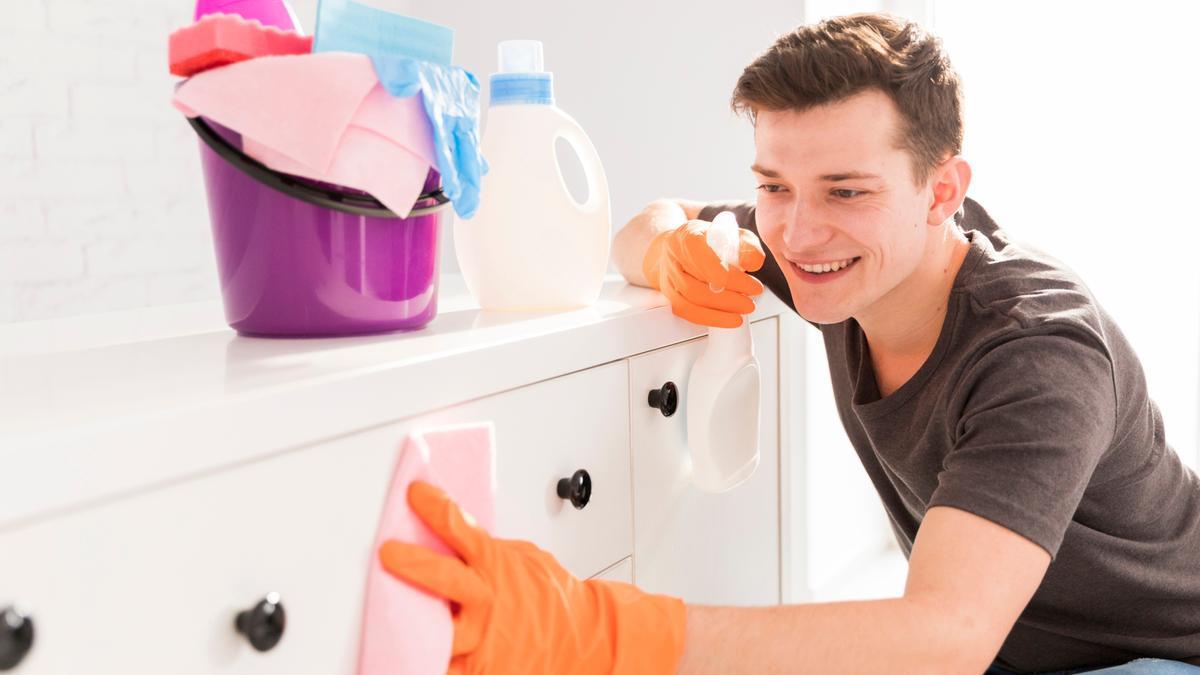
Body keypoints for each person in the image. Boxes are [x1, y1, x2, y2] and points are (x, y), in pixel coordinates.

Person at [379, 13, 1200, 674]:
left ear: (940, 191)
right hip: (1015, 645)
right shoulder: (854, 256)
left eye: (846, 190)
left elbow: (946, 638)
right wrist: (672, 251)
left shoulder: (1039, 352)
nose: (798, 234)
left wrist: (609, 632)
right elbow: (647, 224)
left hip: (1153, 652)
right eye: (772, 185)